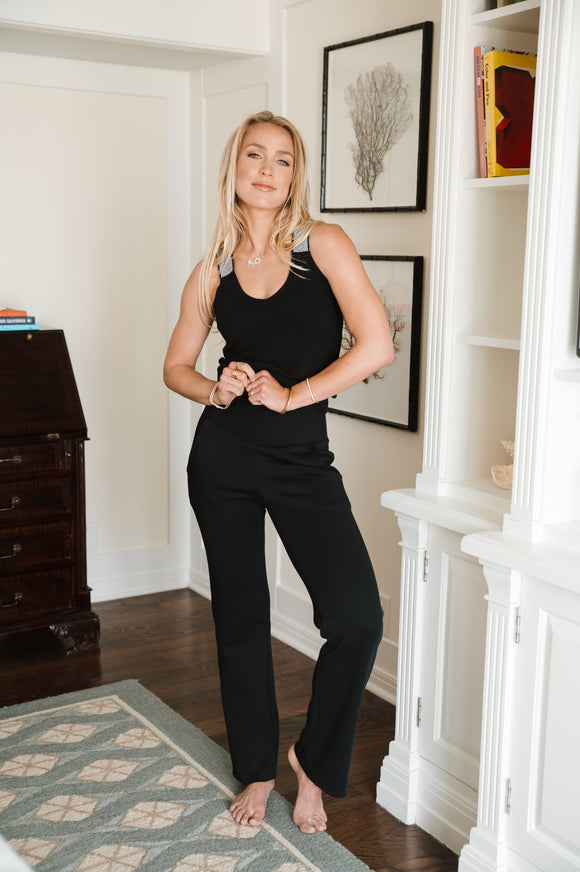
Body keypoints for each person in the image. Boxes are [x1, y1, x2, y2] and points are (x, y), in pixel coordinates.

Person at [163, 110, 394, 835]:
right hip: (223, 457)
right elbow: (175, 366)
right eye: (255, 156)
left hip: (301, 460)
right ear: (234, 168)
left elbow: (377, 346)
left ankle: (312, 764)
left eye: (284, 160)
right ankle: (258, 769)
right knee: (240, 616)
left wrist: (293, 395)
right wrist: (216, 388)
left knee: (356, 618)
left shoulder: (322, 245)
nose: (268, 170)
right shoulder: (213, 268)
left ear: (296, 176)